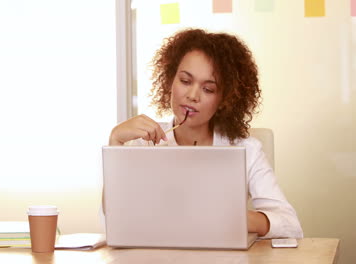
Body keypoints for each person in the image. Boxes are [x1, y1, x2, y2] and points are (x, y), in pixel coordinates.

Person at [109, 28, 303, 239]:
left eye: (208, 89)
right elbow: (112, 221)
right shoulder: (144, 142)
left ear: (224, 100)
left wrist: (235, 218)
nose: (192, 96)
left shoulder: (247, 149)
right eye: (185, 81)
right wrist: (115, 142)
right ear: (170, 82)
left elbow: (291, 226)